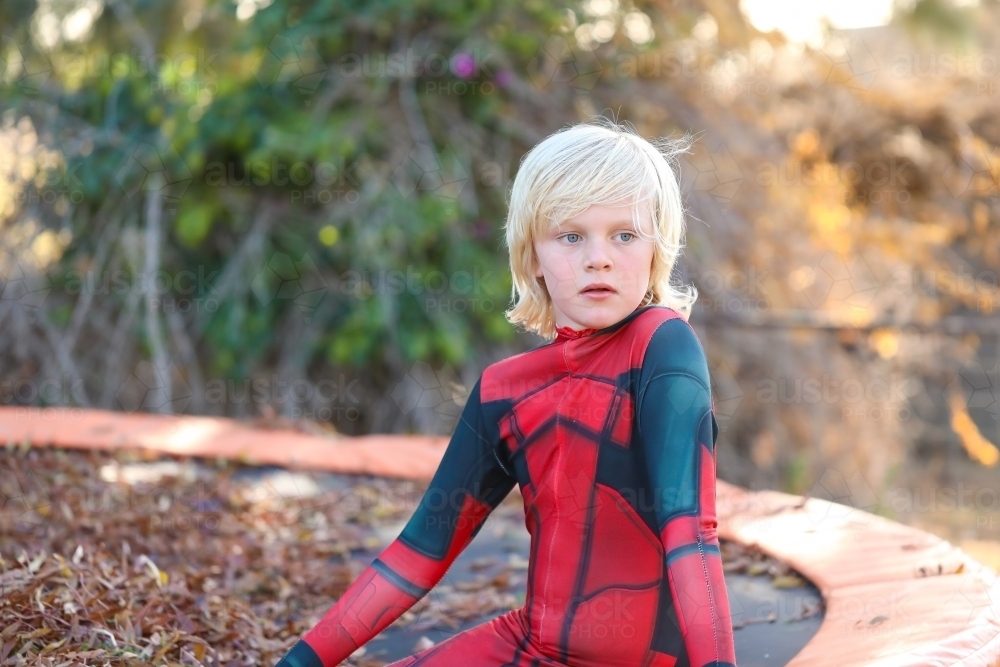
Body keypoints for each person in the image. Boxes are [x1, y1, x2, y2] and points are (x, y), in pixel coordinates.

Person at [275, 117, 737, 667]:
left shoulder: (662, 346)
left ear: (657, 249)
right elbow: (417, 555)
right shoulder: (506, 390)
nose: (599, 257)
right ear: (533, 256)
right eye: (570, 236)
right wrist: (298, 663)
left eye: (624, 234)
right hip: (532, 648)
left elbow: (691, 532)